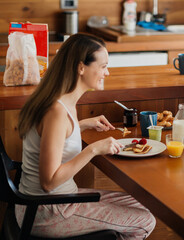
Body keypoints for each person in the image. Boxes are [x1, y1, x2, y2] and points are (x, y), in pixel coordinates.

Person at [15, 33, 156, 239]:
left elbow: (51, 137)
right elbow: (49, 182)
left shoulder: (59, 101)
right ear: (81, 68)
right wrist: (94, 149)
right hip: (47, 212)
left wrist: (79, 125)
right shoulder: (56, 112)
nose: (107, 73)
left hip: (49, 202)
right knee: (145, 220)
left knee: (145, 204)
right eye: (103, 66)